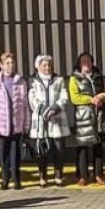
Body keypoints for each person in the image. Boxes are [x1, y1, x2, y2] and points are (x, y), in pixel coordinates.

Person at [0, 51, 30, 190]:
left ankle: (17, 180)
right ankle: (5, 179)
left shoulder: (21, 82)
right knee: (3, 154)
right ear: (1, 65)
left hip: (16, 125)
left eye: (12, 63)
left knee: (15, 154)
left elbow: (25, 105)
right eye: (7, 63)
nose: (10, 66)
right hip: (1, 125)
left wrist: (26, 124)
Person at [28, 55, 70, 187]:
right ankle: (43, 176)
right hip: (41, 121)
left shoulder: (59, 80)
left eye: (49, 65)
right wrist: (45, 111)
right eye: (44, 65)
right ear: (38, 67)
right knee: (42, 150)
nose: (47, 68)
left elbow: (64, 97)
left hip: (56, 120)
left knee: (58, 149)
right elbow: (32, 99)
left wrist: (54, 109)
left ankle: (58, 176)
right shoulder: (33, 81)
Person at [69, 52, 105, 186]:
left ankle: (98, 174)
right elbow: (75, 98)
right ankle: (83, 175)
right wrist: (91, 100)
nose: (86, 63)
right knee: (83, 146)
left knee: (98, 144)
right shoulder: (74, 78)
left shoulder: (98, 77)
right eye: (83, 61)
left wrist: (102, 97)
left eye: (88, 61)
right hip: (83, 116)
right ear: (79, 63)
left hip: (98, 114)